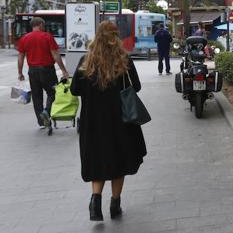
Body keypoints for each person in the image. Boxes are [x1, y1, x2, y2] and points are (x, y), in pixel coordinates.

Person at [70, 21, 146, 221]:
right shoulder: (124, 59)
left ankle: (95, 202)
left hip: (92, 121)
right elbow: (136, 87)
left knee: (97, 159)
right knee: (119, 160)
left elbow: (75, 90)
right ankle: (115, 204)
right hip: (120, 120)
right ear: (116, 36)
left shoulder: (85, 61)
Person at [17, 17, 69, 129]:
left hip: (33, 71)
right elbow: (55, 55)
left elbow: (20, 57)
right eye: (44, 25)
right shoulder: (47, 36)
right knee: (53, 92)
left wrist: (20, 73)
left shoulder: (24, 38)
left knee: (36, 96)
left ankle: (41, 122)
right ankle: (46, 111)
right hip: (47, 70)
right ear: (40, 24)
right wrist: (64, 70)